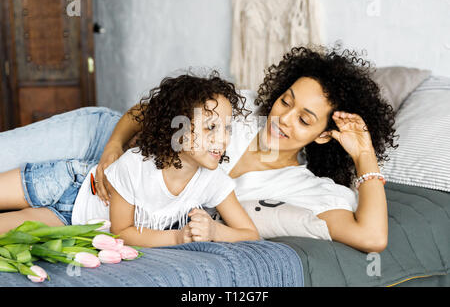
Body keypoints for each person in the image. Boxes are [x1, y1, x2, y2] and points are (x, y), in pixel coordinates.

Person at [0, 45, 398, 253]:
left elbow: (373, 238)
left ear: (325, 135)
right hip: (98, 140)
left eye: (305, 120)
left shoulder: (306, 188)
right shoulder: (236, 110)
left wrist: (364, 154)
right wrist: (112, 148)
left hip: (100, 209)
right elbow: (147, 110)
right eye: (286, 101)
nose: (283, 118)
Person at [0, 72, 260, 247]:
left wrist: (215, 232)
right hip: (68, 180)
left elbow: (251, 234)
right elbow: (122, 231)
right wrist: (178, 237)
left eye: (227, 128)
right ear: (177, 129)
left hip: (72, 220)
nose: (223, 139)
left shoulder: (212, 181)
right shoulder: (137, 165)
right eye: (211, 127)